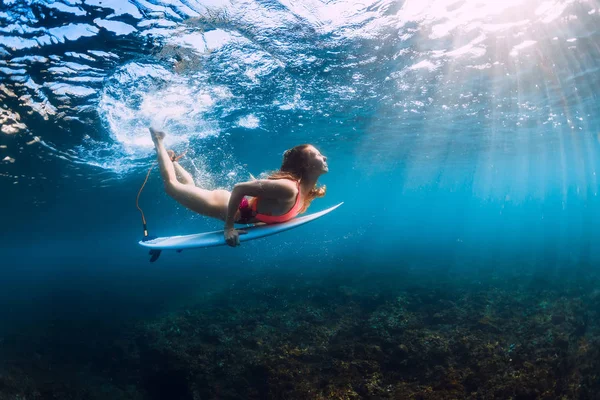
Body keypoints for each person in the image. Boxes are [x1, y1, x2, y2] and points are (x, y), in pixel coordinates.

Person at [149, 128, 328, 247]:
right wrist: (228, 227)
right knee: (172, 187)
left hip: (239, 208)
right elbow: (239, 188)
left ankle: (172, 161)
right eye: (318, 155)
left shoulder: (305, 191)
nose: (324, 157)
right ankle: (158, 141)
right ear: (305, 165)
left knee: (190, 187)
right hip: (222, 205)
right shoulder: (289, 188)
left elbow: (270, 209)